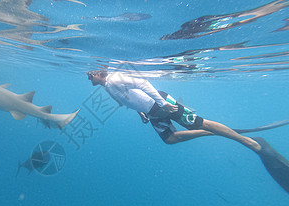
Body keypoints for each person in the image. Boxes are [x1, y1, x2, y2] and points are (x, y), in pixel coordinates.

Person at [87, 69, 289, 193]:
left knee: (202, 123)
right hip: (152, 112)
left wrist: (162, 104)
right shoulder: (108, 87)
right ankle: (213, 133)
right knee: (169, 139)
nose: (89, 78)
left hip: (162, 104)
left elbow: (142, 83)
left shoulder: (114, 78)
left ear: (100, 73)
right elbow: (130, 99)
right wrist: (141, 113)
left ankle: (252, 144)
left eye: (91, 75)